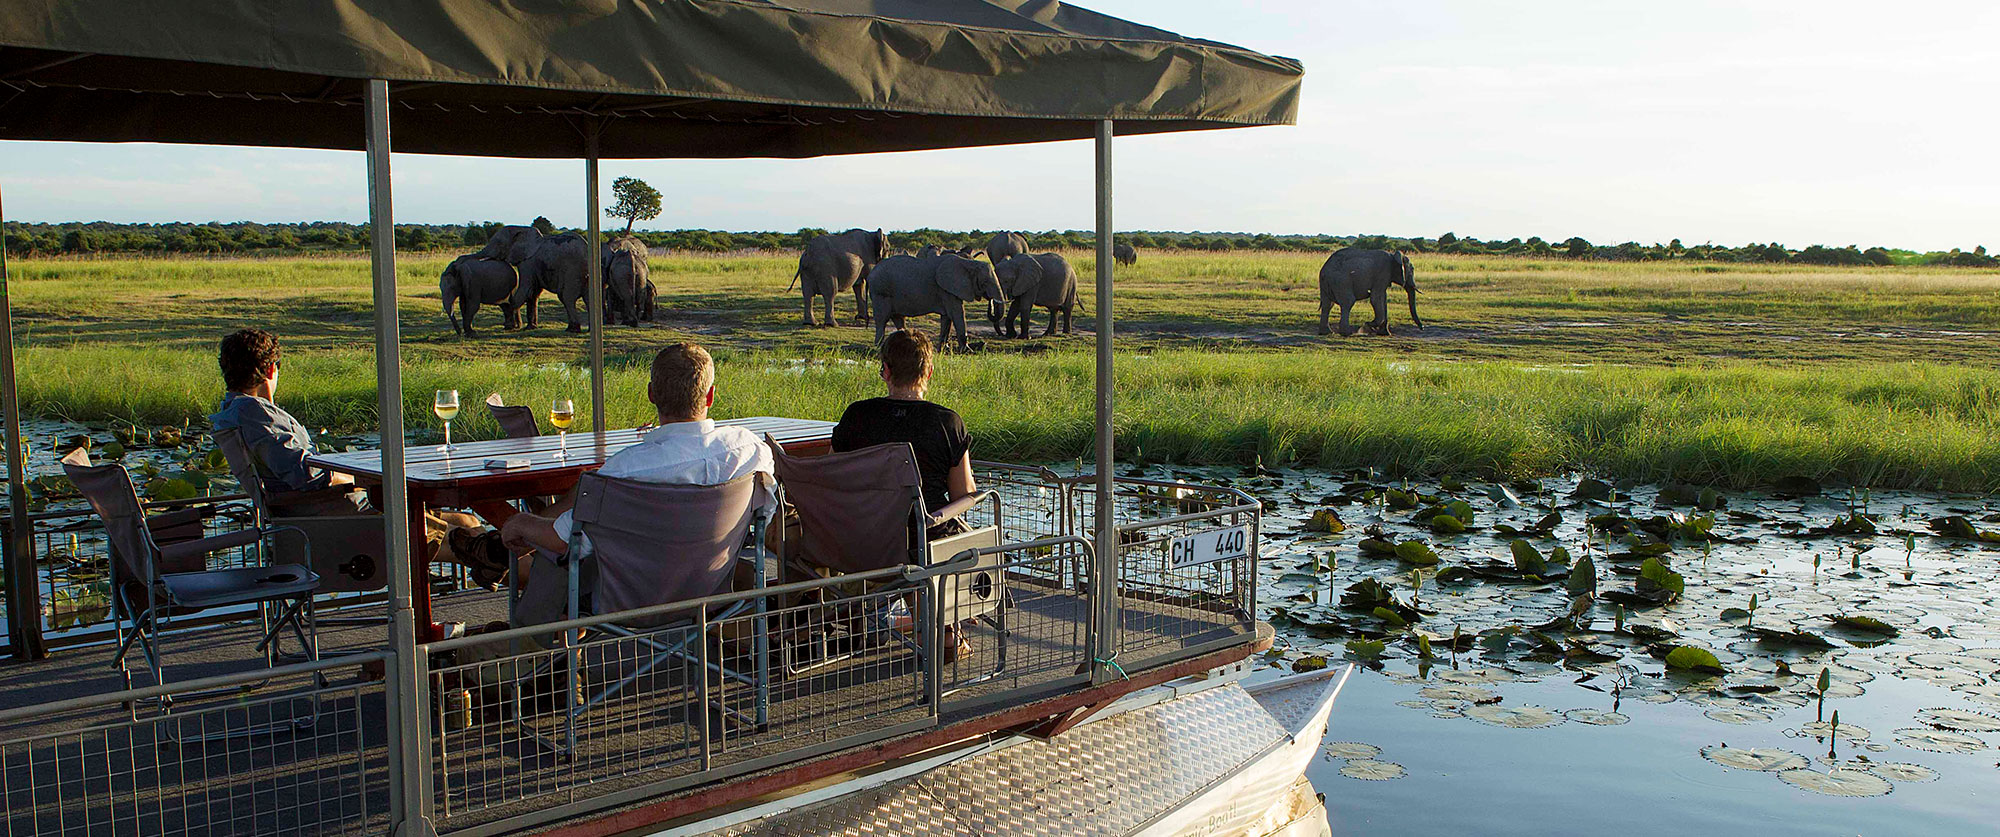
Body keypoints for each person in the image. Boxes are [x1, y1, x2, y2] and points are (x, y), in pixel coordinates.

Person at [209, 328, 499, 584]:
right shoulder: (256, 414)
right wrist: (357, 476)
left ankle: (501, 593)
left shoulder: (234, 412)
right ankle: (517, 606)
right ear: (272, 369)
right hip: (342, 520)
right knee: (484, 547)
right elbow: (305, 473)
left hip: (336, 511)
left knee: (469, 524)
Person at [498, 342, 772, 614]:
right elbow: (766, 516)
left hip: (632, 605)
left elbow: (568, 541)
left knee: (554, 560)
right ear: (710, 396)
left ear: (651, 394)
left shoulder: (624, 470)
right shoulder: (748, 449)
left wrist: (521, 522)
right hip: (712, 589)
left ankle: (527, 648)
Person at [831, 329, 978, 537]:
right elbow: (963, 494)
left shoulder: (856, 415)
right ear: (929, 373)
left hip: (864, 537)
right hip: (926, 538)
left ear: (886, 371)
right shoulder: (947, 422)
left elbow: (831, 477)